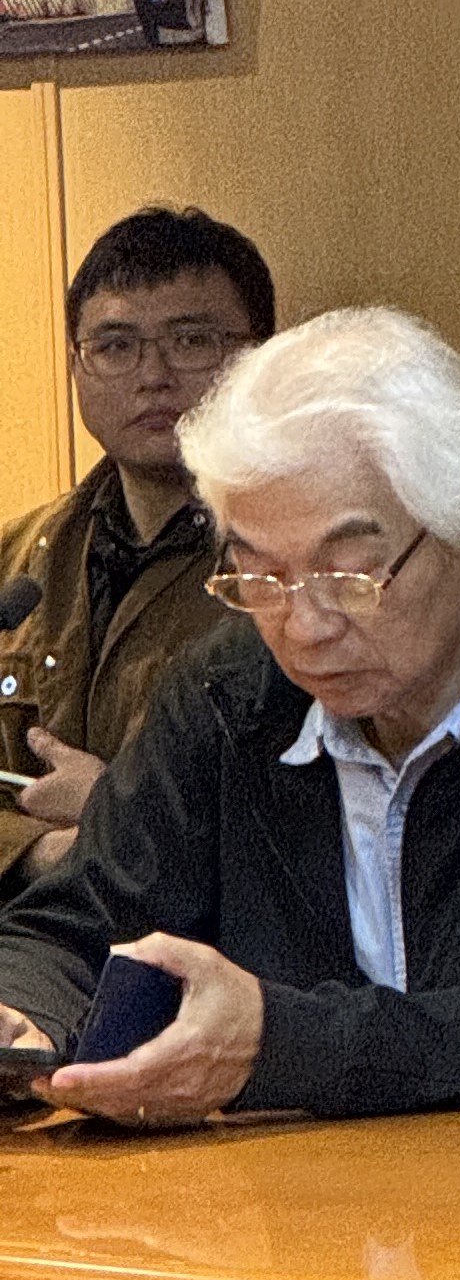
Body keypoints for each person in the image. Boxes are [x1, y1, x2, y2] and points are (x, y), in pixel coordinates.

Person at [0, 308, 460, 1126]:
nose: (303, 626)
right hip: (284, 1187)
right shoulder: (229, 691)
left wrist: (283, 1044)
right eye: (260, 577)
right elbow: (74, 926)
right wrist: (21, 1015)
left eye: (348, 575)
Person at [0, 207, 273, 892]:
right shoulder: (16, 559)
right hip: (30, 930)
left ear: (262, 358)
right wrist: (40, 852)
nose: (153, 374)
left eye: (192, 340)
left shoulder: (300, 566)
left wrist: (119, 811)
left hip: (213, 941)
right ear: (75, 364)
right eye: (115, 345)